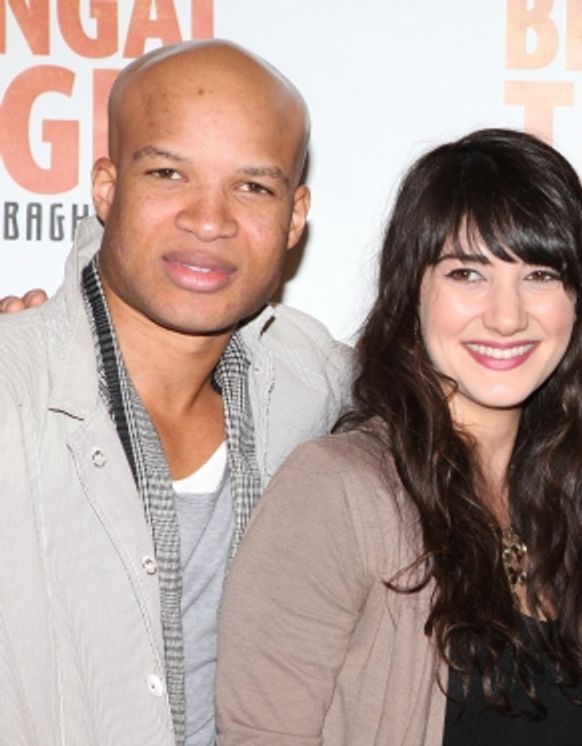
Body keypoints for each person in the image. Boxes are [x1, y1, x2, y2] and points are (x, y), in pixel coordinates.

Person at [216, 129, 582, 744]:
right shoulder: (339, 492)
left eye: (539, 274)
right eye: (467, 273)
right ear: (411, 289)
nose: (507, 316)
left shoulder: (576, 494)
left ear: (576, 298)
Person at [0, 41, 350, 746]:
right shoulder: (14, 386)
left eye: (252, 187)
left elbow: (465, 356)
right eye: (168, 173)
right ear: (106, 187)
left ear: (295, 214)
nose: (209, 219)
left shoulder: (313, 380)